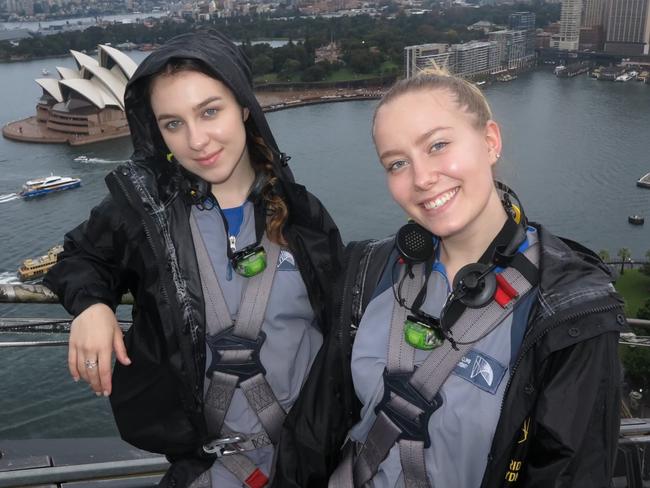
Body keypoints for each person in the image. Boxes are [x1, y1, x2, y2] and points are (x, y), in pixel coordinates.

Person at [44, 30, 343, 488]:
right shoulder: (144, 212)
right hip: (206, 467)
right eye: (173, 123)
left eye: (210, 111)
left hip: (307, 460)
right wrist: (91, 306)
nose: (197, 140)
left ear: (244, 107)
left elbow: (341, 327)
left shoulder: (303, 216)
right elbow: (80, 256)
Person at [322, 70, 624, 487]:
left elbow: (570, 472)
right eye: (397, 163)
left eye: (438, 145)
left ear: (490, 141)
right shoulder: (368, 269)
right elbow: (319, 424)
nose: (422, 178)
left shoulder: (568, 309)